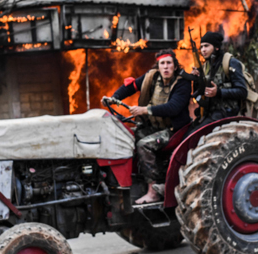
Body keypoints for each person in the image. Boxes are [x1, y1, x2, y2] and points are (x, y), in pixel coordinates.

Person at [103, 49, 191, 204]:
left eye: (169, 63)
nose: (165, 67)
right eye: (162, 63)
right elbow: (132, 86)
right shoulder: (152, 76)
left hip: (173, 131)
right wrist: (113, 98)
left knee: (144, 145)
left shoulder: (182, 82)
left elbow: (174, 107)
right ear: (158, 66)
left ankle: (154, 191)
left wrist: (145, 110)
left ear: (175, 66)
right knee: (128, 135)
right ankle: (129, 182)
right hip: (154, 126)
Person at [187, 31, 248, 134]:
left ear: (216, 47)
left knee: (195, 136)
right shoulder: (206, 66)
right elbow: (201, 93)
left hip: (226, 114)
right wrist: (197, 79)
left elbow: (242, 92)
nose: (203, 50)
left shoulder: (230, 63)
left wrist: (218, 92)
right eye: (201, 47)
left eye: (206, 46)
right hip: (210, 113)